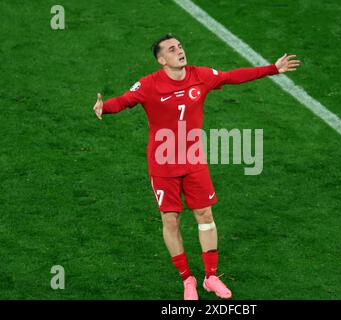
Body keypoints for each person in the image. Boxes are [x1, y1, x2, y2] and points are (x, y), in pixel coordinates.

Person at [92, 34, 300, 300]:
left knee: (204, 215)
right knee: (171, 219)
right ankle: (187, 280)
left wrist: (272, 69)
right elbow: (124, 100)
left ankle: (211, 277)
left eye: (179, 46)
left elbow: (231, 76)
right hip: (163, 163)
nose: (179, 51)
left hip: (193, 160)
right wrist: (104, 107)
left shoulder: (200, 75)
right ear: (161, 60)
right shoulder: (149, 84)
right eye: (171, 49)